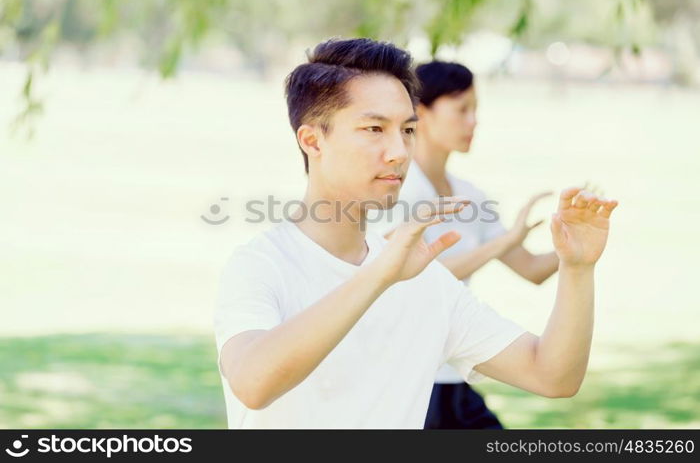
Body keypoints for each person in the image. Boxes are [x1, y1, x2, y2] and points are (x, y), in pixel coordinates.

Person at [213, 38, 618, 428]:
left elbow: (553, 376)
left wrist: (577, 268)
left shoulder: (425, 283)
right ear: (312, 140)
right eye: (374, 129)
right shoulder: (261, 265)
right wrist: (379, 275)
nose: (400, 152)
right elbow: (252, 382)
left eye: (407, 130)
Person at [380, 61, 561, 429]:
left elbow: (532, 269)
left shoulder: (470, 196)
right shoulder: (396, 190)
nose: (473, 121)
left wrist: (574, 246)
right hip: (407, 382)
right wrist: (501, 244)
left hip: (454, 373)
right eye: (462, 109)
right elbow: (405, 274)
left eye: (476, 110)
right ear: (421, 113)